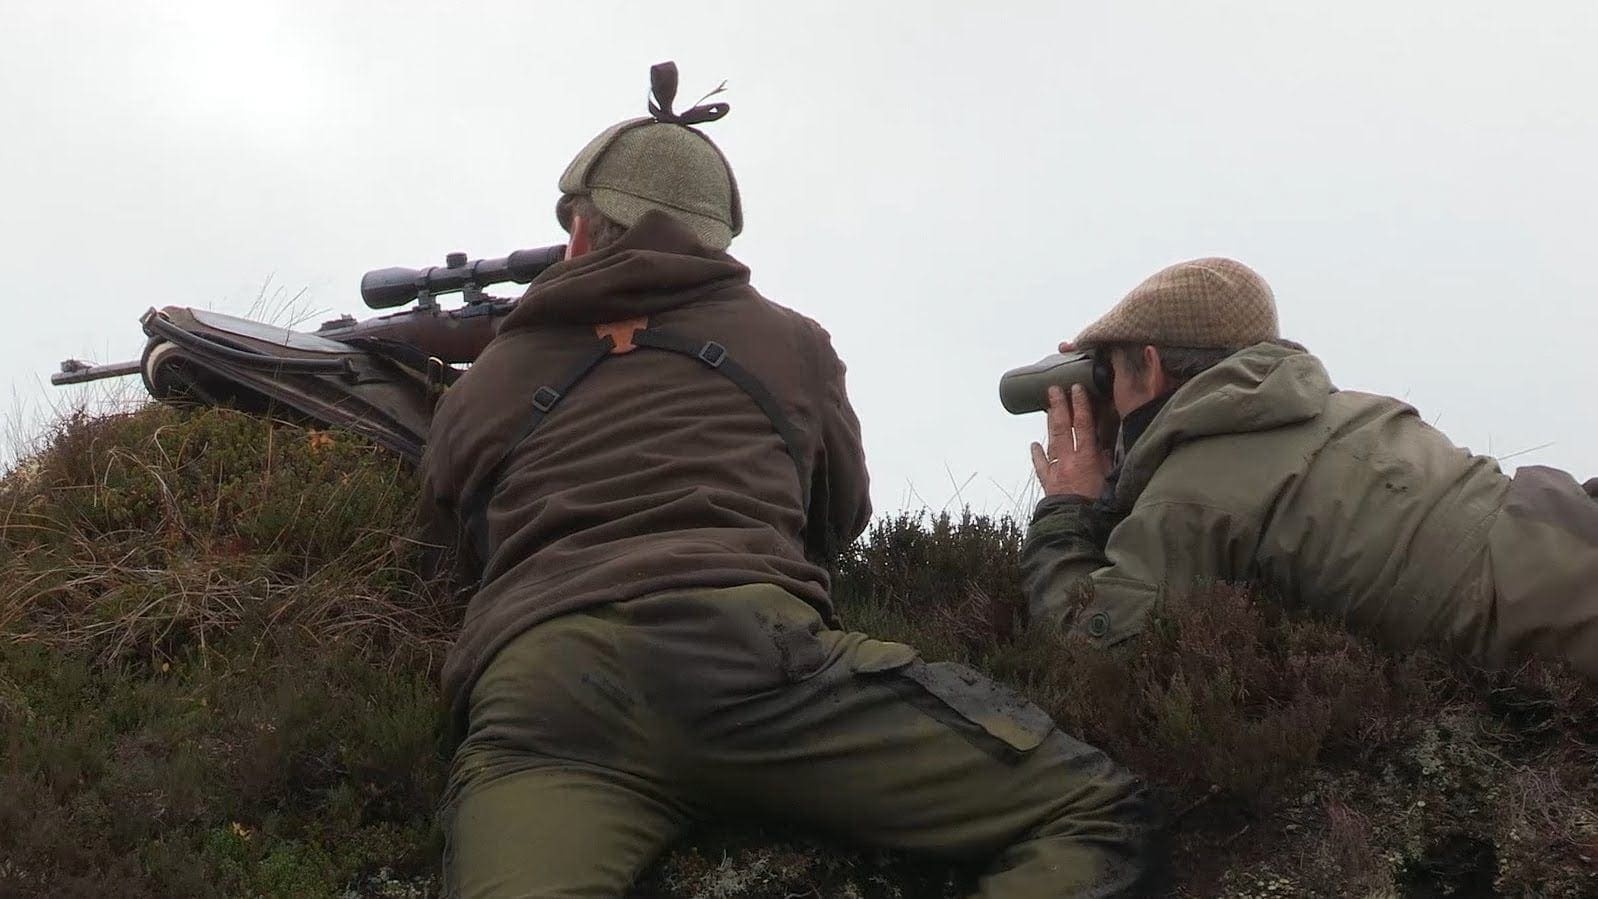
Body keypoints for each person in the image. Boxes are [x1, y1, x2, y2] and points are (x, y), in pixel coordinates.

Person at [417, 62, 1157, 898]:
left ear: (579, 234)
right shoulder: (791, 341)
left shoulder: (485, 380)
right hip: (750, 655)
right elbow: (839, 517)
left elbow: (457, 534)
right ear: (716, 242)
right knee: (1092, 810)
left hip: (544, 693)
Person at [1023, 256, 1598, 680]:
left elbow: (1096, 657)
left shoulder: (1187, 499)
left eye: (1110, 372)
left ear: (1149, 369)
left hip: (1542, 616)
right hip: (1561, 519)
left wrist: (1070, 511)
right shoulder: (1350, 409)